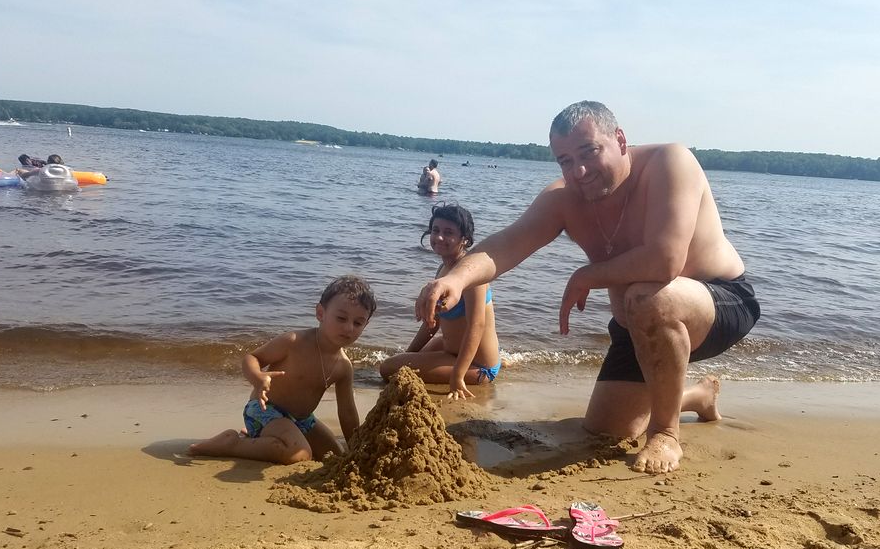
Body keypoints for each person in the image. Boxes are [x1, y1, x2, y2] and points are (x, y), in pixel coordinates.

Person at [415, 101, 760, 474]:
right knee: (606, 430)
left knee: (647, 296)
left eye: (589, 152)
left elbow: (666, 260)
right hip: (638, 326)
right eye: (565, 161)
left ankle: (666, 432)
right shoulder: (564, 198)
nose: (578, 171)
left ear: (620, 140)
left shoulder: (670, 162)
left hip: (718, 301)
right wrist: (455, 278)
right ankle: (697, 396)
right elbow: (508, 243)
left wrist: (587, 275)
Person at [189, 275, 377, 464]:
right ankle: (232, 444)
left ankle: (257, 438)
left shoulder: (344, 367)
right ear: (321, 313)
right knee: (299, 454)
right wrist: (257, 378)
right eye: (341, 318)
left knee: (336, 456)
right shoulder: (294, 342)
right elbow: (252, 358)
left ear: (366, 325)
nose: (349, 328)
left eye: (358, 323)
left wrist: (356, 446)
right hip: (266, 411)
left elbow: (347, 412)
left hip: (303, 420)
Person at [380, 204, 501, 400]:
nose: (439, 237)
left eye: (448, 232)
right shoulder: (443, 270)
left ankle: (468, 371)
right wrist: (407, 355)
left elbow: (477, 326)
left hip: (478, 366)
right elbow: (433, 323)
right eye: (435, 230)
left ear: (465, 239)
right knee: (401, 363)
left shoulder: (472, 274)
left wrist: (457, 376)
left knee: (387, 368)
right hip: (450, 350)